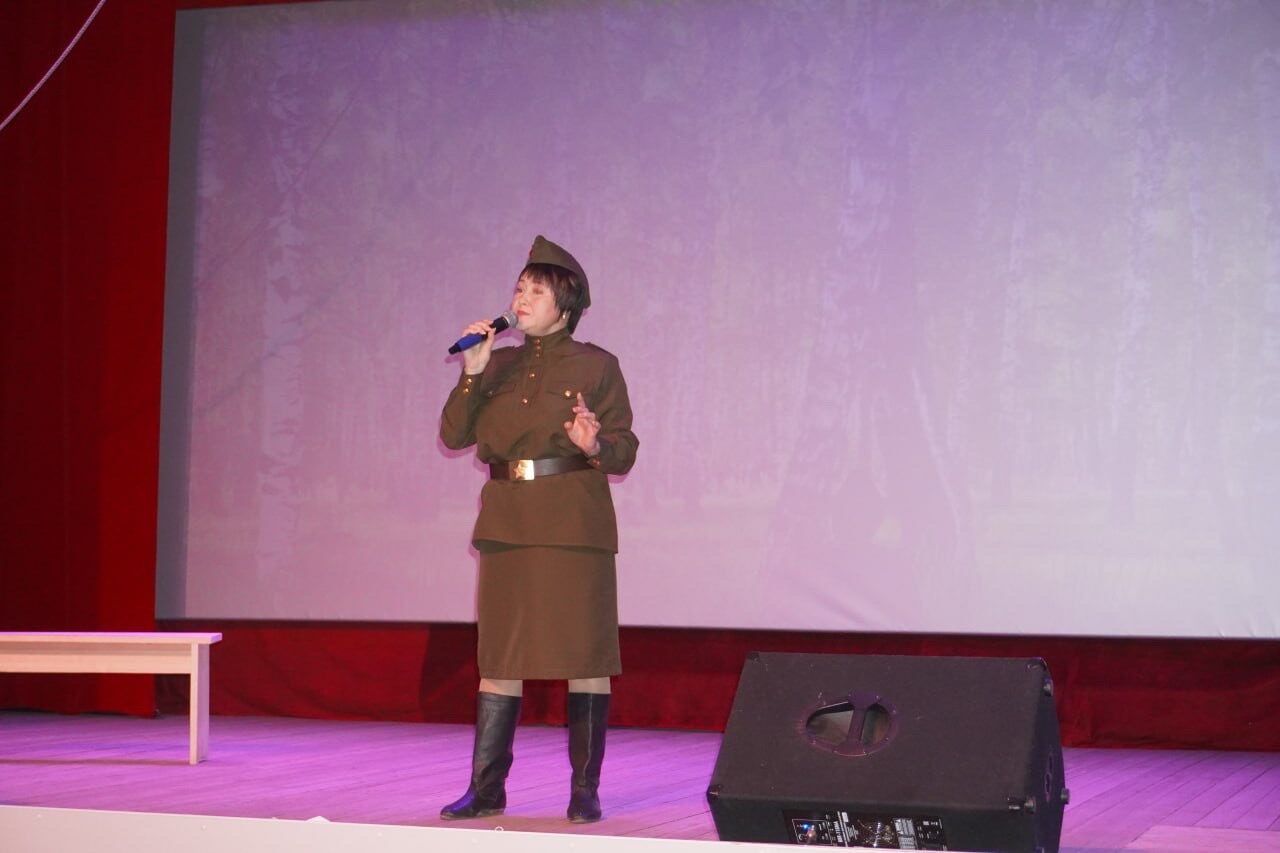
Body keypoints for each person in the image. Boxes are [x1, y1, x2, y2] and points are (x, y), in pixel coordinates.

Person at [438, 235, 638, 823]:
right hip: (507, 523)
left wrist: (594, 444)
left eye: (536, 291)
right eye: (519, 288)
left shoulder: (598, 365)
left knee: (585, 654)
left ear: (566, 306)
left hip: (573, 523)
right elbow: (454, 434)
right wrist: (473, 372)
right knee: (500, 657)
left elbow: (625, 447)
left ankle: (585, 789)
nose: (521, 299)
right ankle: (486, 789)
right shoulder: (496, 364)